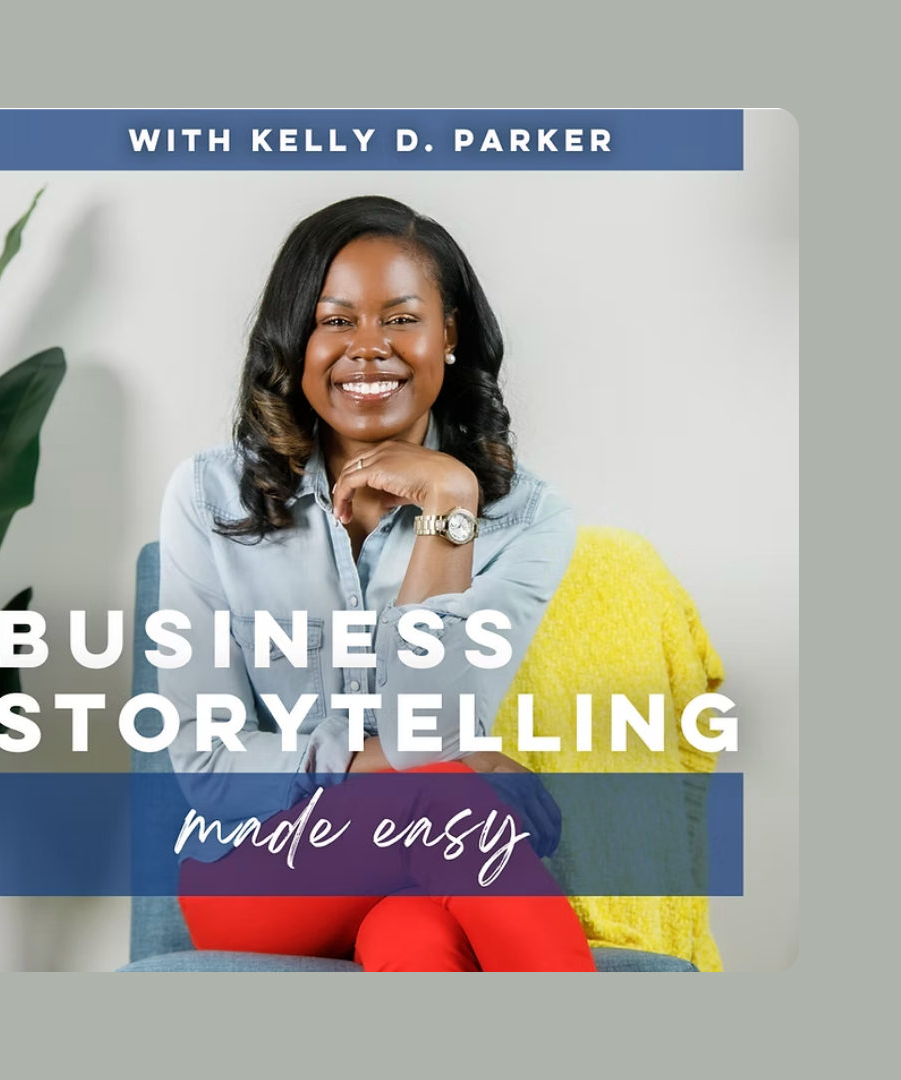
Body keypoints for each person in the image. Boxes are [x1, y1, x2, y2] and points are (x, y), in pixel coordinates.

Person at [157, 195, 593, 971]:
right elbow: (209, 767)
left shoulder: (527, 518)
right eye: (335, 320)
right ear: (295, 339)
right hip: (254, 876)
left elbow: (426, 732)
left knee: (414, 939)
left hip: (415, 864)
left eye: (400, 319)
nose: (368, 349)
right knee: (451, 804)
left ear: (447, 334)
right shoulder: (209, 499)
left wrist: (448, 507)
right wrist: (408, 769)